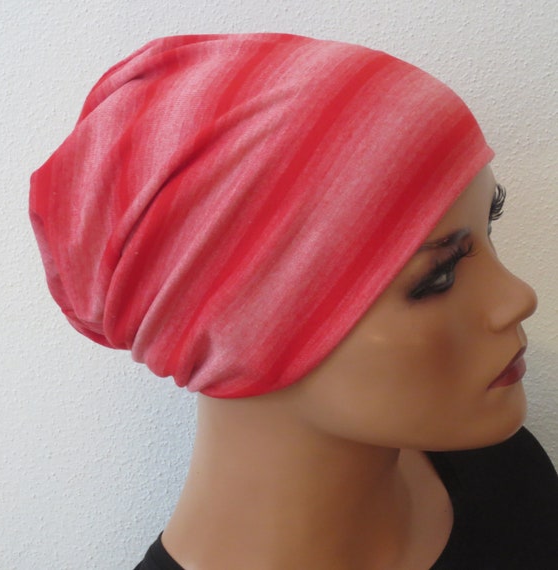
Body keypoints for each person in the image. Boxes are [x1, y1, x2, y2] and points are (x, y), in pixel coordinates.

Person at [30, 33, 557, 569]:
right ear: (241, 334)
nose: (518, 298)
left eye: (489, 224)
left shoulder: (505, 476)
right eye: (438, 278)